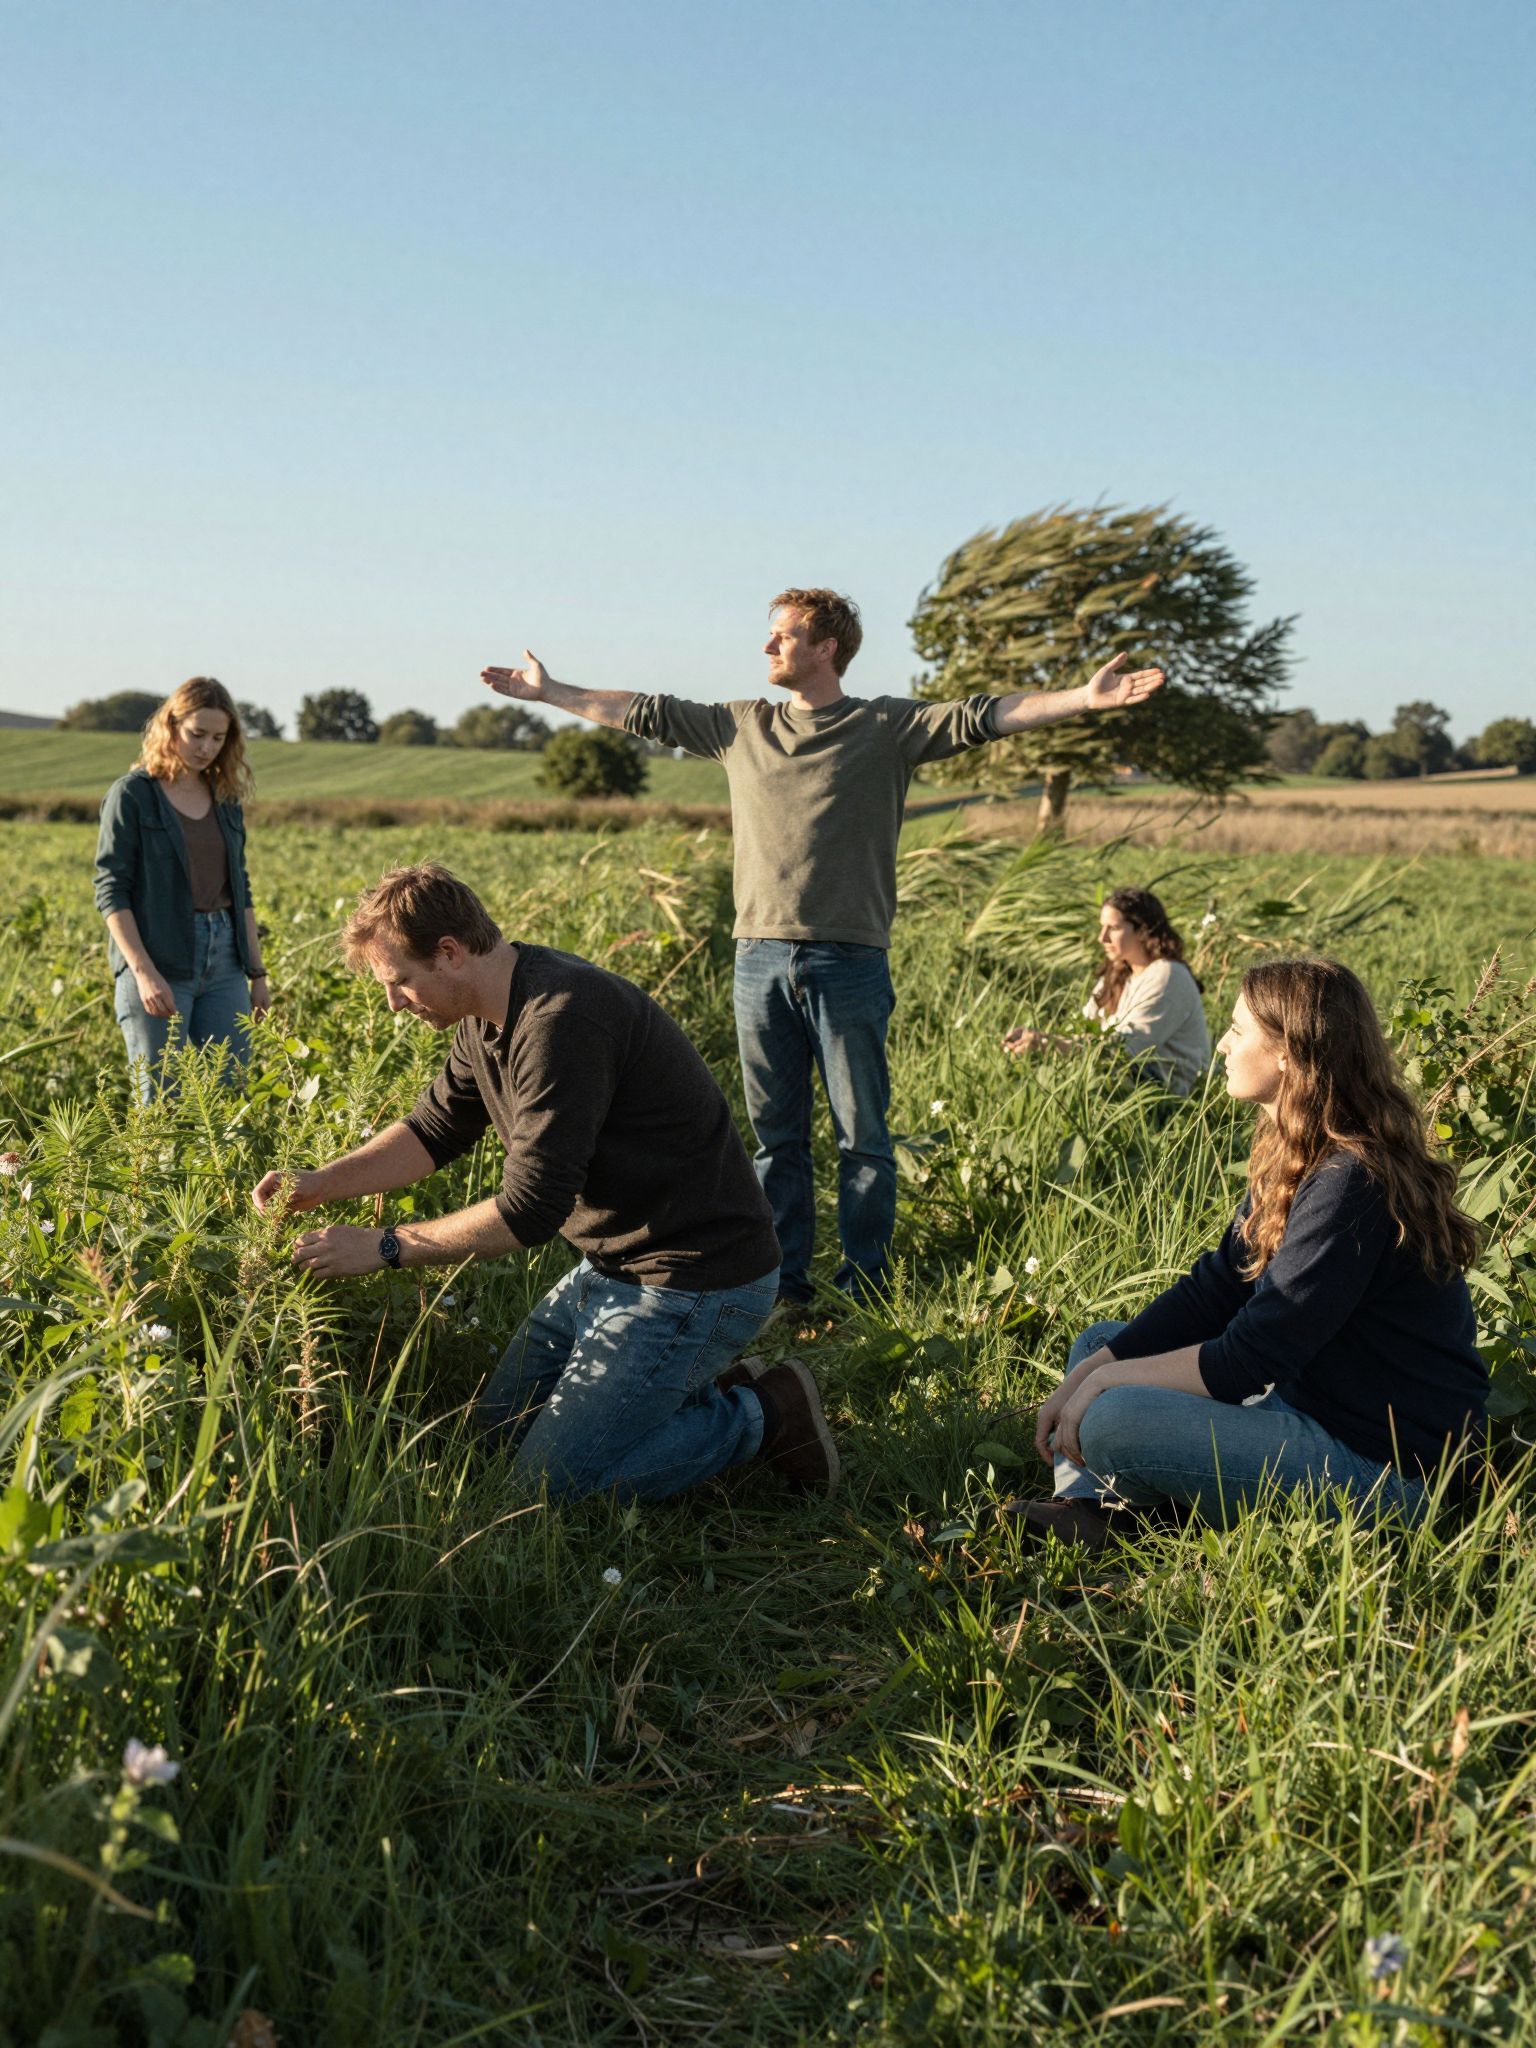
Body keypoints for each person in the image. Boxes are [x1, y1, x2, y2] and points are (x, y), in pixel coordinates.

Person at [482, 591, 1163, 1308]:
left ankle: (863, 1287)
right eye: (771, 635)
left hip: (848, 962)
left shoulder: (884, 727)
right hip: (758, 961)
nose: (768, 647)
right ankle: (784, 1287)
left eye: (783, 635)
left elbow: (984, 715)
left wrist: (1083, 700)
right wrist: (550, 691)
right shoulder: (741, 726)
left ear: (826, 646)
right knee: (777, 1140)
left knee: (863, 1137)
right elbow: (642, 711)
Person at [250, 863, 840, 1503]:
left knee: (541, 1492)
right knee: (491, 1439)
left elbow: (530, 1211)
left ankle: (761, 1414)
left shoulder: (563, 1018)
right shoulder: (485, 1013)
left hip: (696, 1279)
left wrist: (386, 1246)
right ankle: (689, 1391)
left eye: (399, 983)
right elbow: (433, 1129)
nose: (394, 1004)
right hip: (610, 1270)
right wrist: (319, 1183)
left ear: (449, 953)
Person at [1001, 956, 1488, 1550]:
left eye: (1237, 1029)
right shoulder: (1299, 1151)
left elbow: (1248, 1359)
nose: (1224, 1044)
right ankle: (1098, 1511)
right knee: (1098, 1347)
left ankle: (1123, 1509)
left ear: (1288, 1052)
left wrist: (1104, 1388)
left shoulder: (1350, 1184)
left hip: (1386, 1473)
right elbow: (1218, 1287)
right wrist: (1093, 1372)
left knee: (1110, 1414)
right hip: (1308, 1405)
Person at [93, 677, 269, 1100]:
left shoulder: (224, 799)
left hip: (225, 958)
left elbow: (240, 888)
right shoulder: (132, 795)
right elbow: (111, 889)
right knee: (161, 1100)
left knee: (230, 1094)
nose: (206, 747)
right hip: (158, 957)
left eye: (218, 738)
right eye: (197, 734)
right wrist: (143, 972)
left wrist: (258, 974)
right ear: (170, 727)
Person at [1003, 886, 1210, 1095]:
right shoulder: (1118, 972)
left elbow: (1123, 1051)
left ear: (1141, 930)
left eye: (1113, 928)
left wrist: (1047, 1044)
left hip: (1171, 1091)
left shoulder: (1167, 975)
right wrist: (1037, 1039)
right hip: (1127, 1078)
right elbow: (1082, 1029)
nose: (1102, 938)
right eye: (1102, 927)